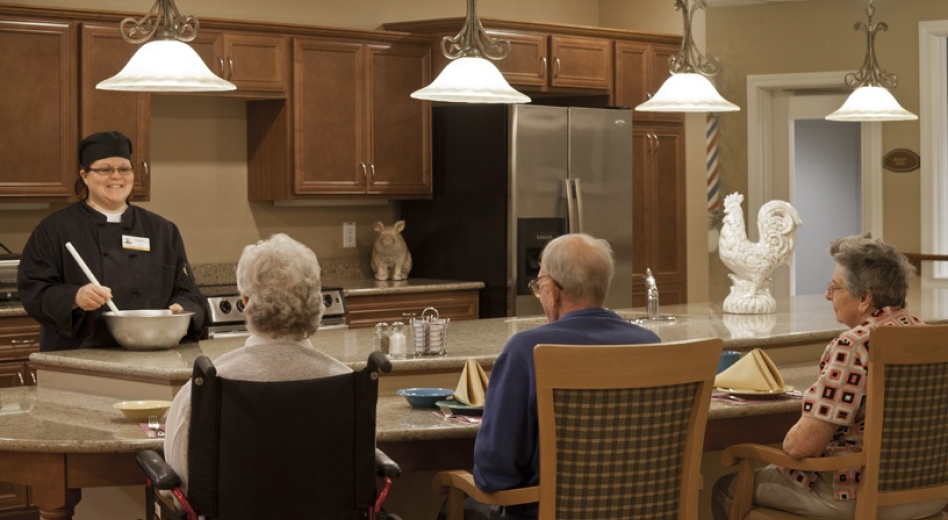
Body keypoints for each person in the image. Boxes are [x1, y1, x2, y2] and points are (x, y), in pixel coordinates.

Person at [712, 236, 948, 520]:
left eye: (834, 288)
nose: (827, 296)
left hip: (852, 497)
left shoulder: (854, 345)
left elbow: (801, 447)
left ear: (865, 299)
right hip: (933, 494)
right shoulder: (929, 336)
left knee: (727, 488)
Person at [466, 233, 660, 520]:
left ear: (552, 290)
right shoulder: (650, 346)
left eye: (539, 285)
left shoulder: (525, 350)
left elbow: (495, 475)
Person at [164, 233, 352, 491]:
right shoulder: (347, 384)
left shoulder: (204, 389)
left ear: (245, 302)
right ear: (316, 300)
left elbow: (182, 484)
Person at [16, 131, 206, 351]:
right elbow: (33, 290)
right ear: (84, 175)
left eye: (124, 169)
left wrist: (181, 309)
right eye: (105, 169)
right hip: (80, 355)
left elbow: (189, 292)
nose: (116, 176)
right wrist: (74, 296)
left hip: (152, 355)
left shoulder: (162, 230)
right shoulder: (55, 230)